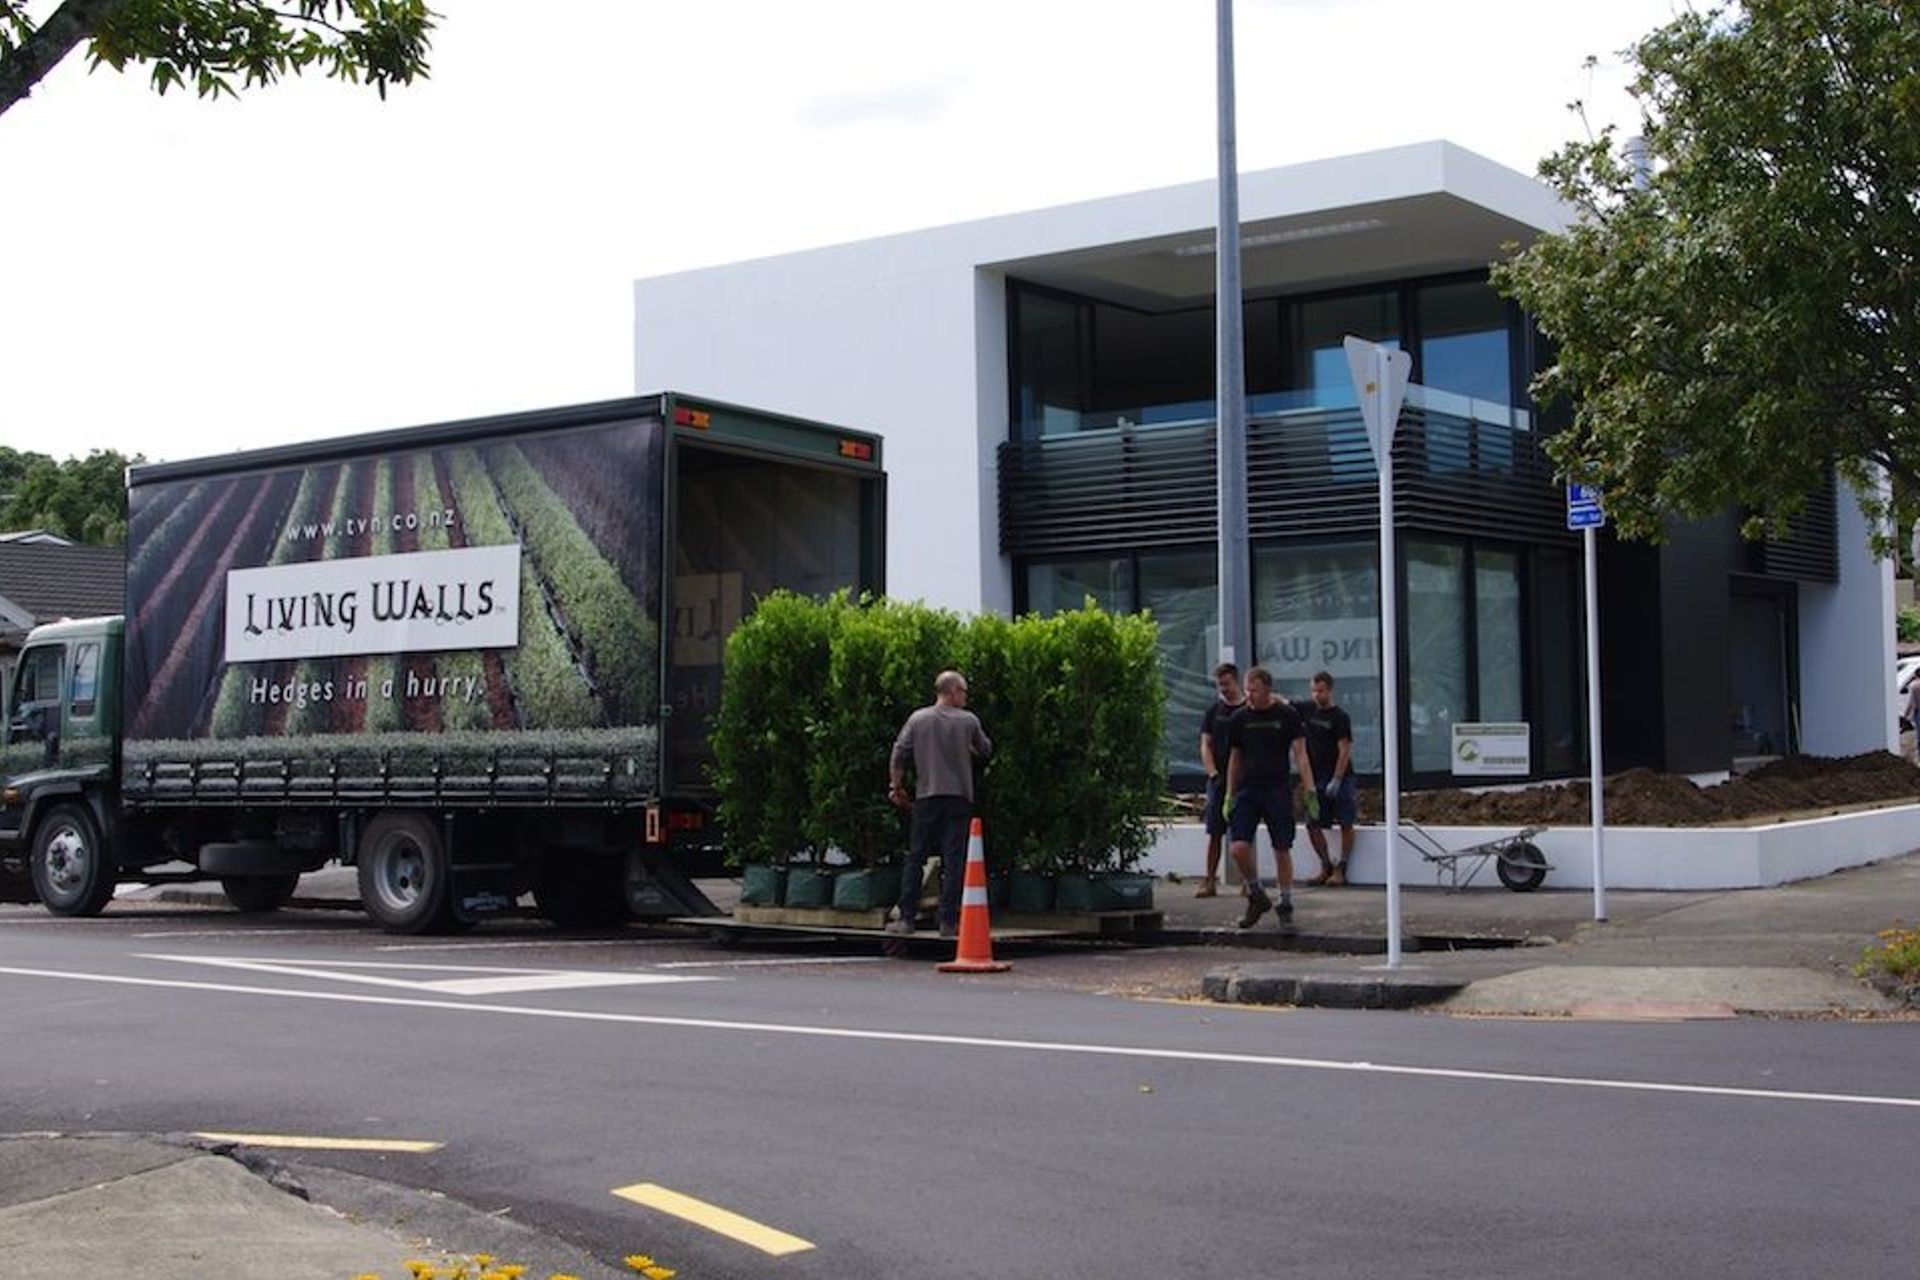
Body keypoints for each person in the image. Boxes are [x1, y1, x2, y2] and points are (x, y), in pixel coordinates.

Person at [887, 670, 993, 937]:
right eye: (964, 691)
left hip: (926, 796)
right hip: (958, 797)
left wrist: (896, 786)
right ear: (953, 691)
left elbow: (899, 752)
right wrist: (966, 749)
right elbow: (986, 750)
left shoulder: (918, 718)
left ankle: (907, 918)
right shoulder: (968, 721)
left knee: (916, 856)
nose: (966, 697)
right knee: (954, 859)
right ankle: (948, 921)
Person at [1224, 666, 1315, 928]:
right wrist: (1229, 794)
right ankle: (1256, 893)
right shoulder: (1240, 718)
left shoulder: (1286, 715)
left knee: (1281, 848)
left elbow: (1301, 754)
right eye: (1247, 690)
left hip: (1277, 788)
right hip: (1248, 789)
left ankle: (1285, 903)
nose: (1248, 695)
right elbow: (1234, 758)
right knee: (1238, 847)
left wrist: (1310, 790)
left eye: (1253, 690)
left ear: (1266, 689)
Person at [1299, 670, 1357, 886]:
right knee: (1312, 823)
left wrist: (1338, 778)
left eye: (1321, 691)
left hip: (1339, 777)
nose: (1316, 695)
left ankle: (1342, 867)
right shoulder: (1308, 710)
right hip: (1315, 777)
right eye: (1313, 690)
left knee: (1345, 822)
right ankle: (1325, 865)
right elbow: (1283, 702)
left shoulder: (1340, 717)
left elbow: (1344, 749)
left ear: (1330, 690)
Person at [1195, 662, 1246, 898]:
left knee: (1243, 833)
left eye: (1226, 684)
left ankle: (1248, 881)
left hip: (1243, 780)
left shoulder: (1247, 710)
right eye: (1219, 685)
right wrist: (1213, 773)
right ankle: (1209, 880)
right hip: (1218, 779)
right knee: (1215, 832)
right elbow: (1205, 744)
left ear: (1236, 681)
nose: (1223, 689)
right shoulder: (1213, 711)